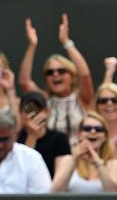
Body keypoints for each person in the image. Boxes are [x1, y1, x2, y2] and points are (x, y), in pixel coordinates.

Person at [19, 15, 95, 145]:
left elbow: (85, 76)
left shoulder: (82, 98)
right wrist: (32, 45)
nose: (55, 75)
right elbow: (24, 82)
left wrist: (66, 42)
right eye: (50, 72)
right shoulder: (44, 101)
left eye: (61, 71)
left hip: (81, 160)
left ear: (71, 76)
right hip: (53, 161)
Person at [49, 112, 117, 192]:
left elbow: (114, 194)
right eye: (87, 128)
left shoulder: (113, 163)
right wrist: (74, 160)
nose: (93, 132)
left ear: (105, 136)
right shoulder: (67, 160)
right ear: (79, 134)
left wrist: (97, 163)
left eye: (99, 129)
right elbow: (54, 192)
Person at [19, 91, 72, 178]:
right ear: (21, 113)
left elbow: (61, 175)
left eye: (38, 109)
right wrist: (32, 135)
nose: (34, 114)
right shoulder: (15, 139)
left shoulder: (59, 139)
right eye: (28, 110)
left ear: (47, 112)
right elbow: (23, 170)